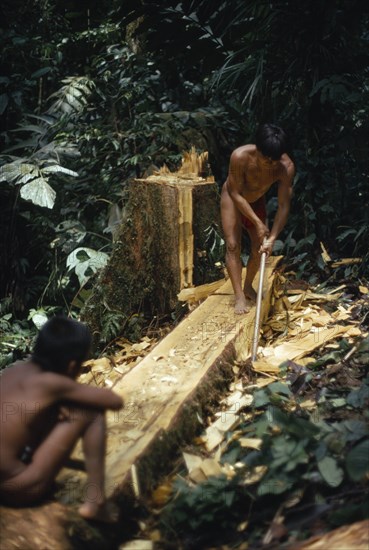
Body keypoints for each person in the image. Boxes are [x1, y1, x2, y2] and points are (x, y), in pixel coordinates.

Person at [0, 316, 123, 522]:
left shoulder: (15, 371)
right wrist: (66, 398)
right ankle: (96, 502)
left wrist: (58, 404)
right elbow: (113, 401)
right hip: (16, 489)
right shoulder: (52, 383)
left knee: (56, 411)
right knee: (90, 412)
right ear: (71, 366)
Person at [221, 123, 295, 314]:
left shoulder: (285, 167)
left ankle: (247, 286)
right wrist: (257, 222)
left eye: (273, 161)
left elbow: (284, 205)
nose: (268, 164)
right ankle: (238, 296)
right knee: (232, 245)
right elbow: (235, 193)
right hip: (233, 197)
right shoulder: (240, 157)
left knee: (259, 248)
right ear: (257, 148)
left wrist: (272, 239)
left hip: (256, 199)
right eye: (264, 158)